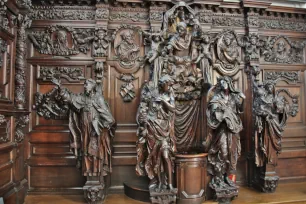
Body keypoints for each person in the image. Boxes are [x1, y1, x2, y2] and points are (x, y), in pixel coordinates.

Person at [52, 78, 116, 181]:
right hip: (85, 129)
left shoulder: (98, 99)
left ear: (93, 86)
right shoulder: (82, 98)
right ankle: (88, 171)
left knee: (94, 151)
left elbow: (110, 119)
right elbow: (70, 98)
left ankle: (96, 172)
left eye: (87, 84)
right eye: (84, 84)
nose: (85, 86)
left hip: (95, 130)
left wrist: (98, 126)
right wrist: (60, 88)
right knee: (86, 150)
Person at [206, 76, 245, 185]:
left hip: (233, 130)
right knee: (223, 153)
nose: (223, 83)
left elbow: (240, 110)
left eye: (225, 82)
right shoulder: (217, 97)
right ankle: (219, 178)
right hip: (222, 129)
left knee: (232, 154)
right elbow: (213, 109)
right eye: (221, 82)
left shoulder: (234, 97)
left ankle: (229, 177)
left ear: (229, 83)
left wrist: (243, 99)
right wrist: (221, 113)